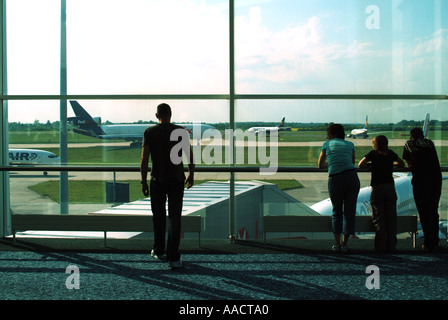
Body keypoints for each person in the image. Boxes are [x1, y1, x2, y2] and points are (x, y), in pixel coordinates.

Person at [140, 103, 195, 268]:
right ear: (171, 114)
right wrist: (191, 173)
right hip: (177, 179)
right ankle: (174, 257)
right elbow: (189, 155)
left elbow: (144, 159)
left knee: (158, 217)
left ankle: (158, 250)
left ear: (157, 115)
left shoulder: (149, 132)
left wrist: (143, 181)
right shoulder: (180, 131)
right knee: (174, 217)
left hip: (157, 180)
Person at [318, 124, 360, 253]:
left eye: (328, 134)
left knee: (336, 211)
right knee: (349, 212)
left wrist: (331, 162)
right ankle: (345, 244)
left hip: (336, 178)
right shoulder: (350, 145)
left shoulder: (327, 144)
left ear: (332, 134)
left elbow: (320, 165)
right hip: (352, 177)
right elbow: (351, 163)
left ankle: (336, 244)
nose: (327, 136)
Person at [359, 135, 404, 252]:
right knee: (391, 218)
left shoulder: (373, 154)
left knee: (379, 219)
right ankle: (392, 246)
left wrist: (372, 165)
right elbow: (401, 163)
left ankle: (380, 246)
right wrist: (391, 164)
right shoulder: (390, 153)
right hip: (389, 187)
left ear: (375, 145)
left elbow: (361, 165)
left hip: (377, 188)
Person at [402, 127, 442, 252]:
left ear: (410, 136)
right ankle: (434, 241)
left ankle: (428, 243)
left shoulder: (409, 144)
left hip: (421, 180)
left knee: (424, 212)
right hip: (435, 179)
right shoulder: (430, 143)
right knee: (433, 211)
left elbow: (408, 162)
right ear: (423, 136)